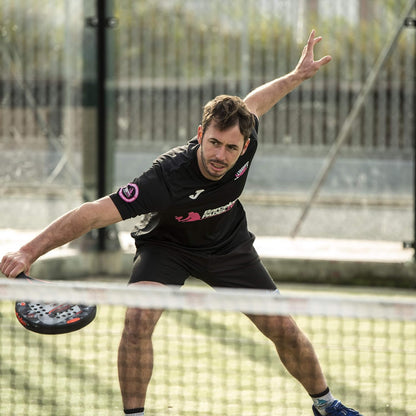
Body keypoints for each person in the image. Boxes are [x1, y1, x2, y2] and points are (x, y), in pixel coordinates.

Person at [0, 30, 362, 416]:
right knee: (137, 319)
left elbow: (257, 101)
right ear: (200, 134)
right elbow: (89, 214)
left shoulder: (246, 139)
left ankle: (326, 405)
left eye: (231, 148)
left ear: (244, 144)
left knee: (283, 329)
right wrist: (27, 251)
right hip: (166, 248)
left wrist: (296, 76)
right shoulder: (165, 178)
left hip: (227, 245)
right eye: (214, 144)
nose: (221, 156)